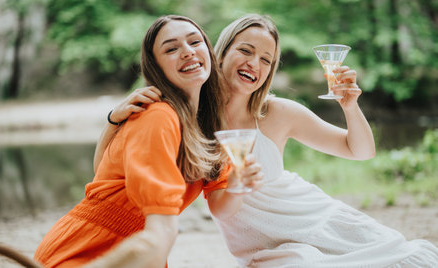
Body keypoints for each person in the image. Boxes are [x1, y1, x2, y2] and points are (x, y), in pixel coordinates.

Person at [103, 14, 438, 268]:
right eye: (245, 51)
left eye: (266, 60)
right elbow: (106, 171)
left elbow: (360, 151)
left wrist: (350, 106)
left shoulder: (278, 112)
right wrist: (112, 120)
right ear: (220, 51)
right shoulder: (188, 117)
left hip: (317, 220)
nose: (255, 63)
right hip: (269, 250)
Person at [33, 14, 262, 268]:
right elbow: (157, 224)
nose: (187, 51)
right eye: (172, 48)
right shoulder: (158, 115)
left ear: (208, 51)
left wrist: (238, 184)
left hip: (140, 252)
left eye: (195, 42)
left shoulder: (208, 128)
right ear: (156, 68)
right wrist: (113, 121)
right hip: (86, 252)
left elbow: (221, 207)